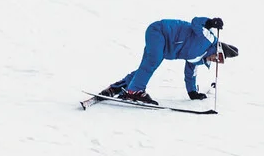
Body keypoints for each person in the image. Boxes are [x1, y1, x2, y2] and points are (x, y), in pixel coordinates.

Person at [100, 17, 239, 105]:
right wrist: (209, 22)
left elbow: (190, 74)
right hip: (160, 32)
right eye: (218, 56)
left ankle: (117, 88)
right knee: (152, 62)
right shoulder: (208, 39)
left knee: (146, 67)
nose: (216, 60)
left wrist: (192, 93)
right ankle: (134, 91)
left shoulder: (199, 60)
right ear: (218, 49)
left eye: (219, 61)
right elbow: (196, 22)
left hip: (165, 45)